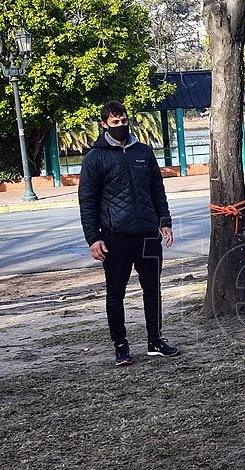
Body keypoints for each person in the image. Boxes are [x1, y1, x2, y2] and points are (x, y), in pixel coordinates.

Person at [78, 100, 180, 366]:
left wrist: (164, 221)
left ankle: (155, 340)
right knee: (116, 292)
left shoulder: (144, 153)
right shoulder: (95, 158)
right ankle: (121, 346)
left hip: (148, 234)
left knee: (153, 289)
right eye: (115, 122)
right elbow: (87, 201)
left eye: (124, 120)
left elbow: (158, 190)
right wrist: (93, 238)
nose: (121, 125)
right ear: (104, 124)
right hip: (114, 237)